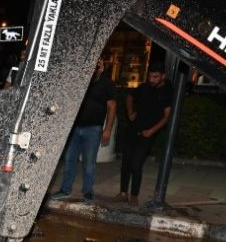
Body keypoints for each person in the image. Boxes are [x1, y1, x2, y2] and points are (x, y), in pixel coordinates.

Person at [51, 59, 117, 204]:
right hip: (73, 128)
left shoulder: (106, 84)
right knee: (69, 160)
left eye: (96, 67)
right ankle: (65, 190)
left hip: (93, 129)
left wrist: (108, 129)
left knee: (89, 162)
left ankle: (87, 191)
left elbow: (112, 107)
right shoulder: (79, 81)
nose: (93, 70)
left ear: (101, 67)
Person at [117, 63, 173, 206]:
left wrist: (152, 131)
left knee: (136, 163)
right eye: (150, 76)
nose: (152, 79)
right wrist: (130, 112)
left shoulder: (167, 91)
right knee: (126, 162)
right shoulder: (144, 87)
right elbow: (129, 97)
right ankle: (123, 193)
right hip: (132, 129)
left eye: (155, 77)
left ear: (163, 77)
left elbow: (167, 116)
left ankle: (134, 195)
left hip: (147, 134)